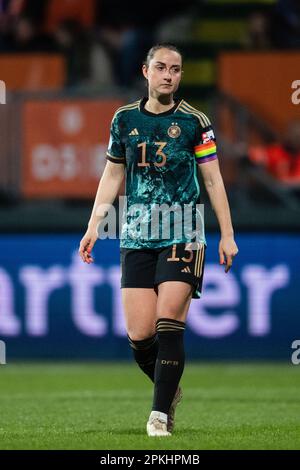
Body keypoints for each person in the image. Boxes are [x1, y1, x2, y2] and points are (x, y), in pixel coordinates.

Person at [79, 44, 238, 437]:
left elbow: (213, 179)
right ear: (145, 71)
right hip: (135, 233)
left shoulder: (194, 121)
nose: (170, 75)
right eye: (162, 68)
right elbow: (112, 175)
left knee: (169, 320)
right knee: (140, 335)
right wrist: (94, 224)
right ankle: (170, 390)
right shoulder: (124, 119)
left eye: (177, 69)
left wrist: (227, 234)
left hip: (183, 230)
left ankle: (159, 416)